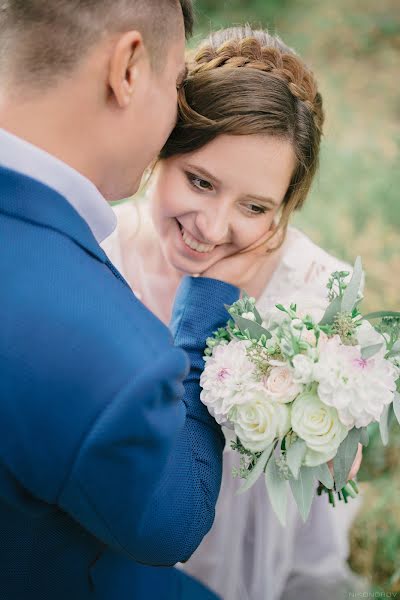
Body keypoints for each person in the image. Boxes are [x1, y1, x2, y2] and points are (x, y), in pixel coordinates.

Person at [0, 4, 272, 600]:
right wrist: (205, 322)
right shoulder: (97, 346)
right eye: (176, 82)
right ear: (127, 68)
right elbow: (170, 526)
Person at [103, 26, 364, 599]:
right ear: (160, 150)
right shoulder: (102, 260)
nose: (213, 228)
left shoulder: (312, 292)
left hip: (241, 530)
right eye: (200, 181)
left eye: (254, 206)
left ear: (285, 208)